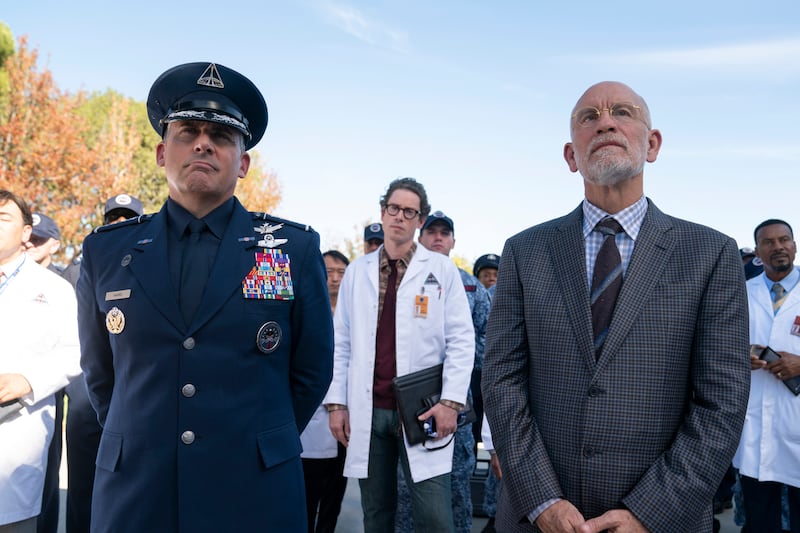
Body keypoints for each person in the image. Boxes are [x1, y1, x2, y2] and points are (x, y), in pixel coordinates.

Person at [482, 81, 750, 532]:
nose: (605, 121)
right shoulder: (525, 251)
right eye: (589, 117)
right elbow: (502, 380)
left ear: (653, 144)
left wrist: (651, 512)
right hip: (539, 518)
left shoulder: (710, 254)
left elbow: (720, 403)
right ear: (571, 156)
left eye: (622, 112)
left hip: (663, 519)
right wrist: (541, 497)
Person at [76, 62, 333, 532]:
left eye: (221, 135)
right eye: (188, 131)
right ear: (160, 153)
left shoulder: (290, 249)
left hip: (253, 491)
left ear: (244, 162)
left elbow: (312, 369)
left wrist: (257, 439)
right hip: (139, 488)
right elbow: (100, 373)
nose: (202, 143)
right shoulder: (105, 251)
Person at [325, 177, 474, 533]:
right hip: (369, 412)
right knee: (376, 514)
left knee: (435, 518)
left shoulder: (441, 271)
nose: (400, 217)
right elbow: (341, 341)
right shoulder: (357, 273)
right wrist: (336, 404)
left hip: (423, 409)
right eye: (394, 208)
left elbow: (462, 339)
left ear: (419, 220)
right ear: (383, 211)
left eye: (410, 212)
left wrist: (451, 402)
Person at [395, 210, 490, 533]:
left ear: (452, 241)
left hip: (455, 405)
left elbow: (487, 340)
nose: (437, 238)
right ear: (420, 237)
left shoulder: (472, 287)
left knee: (456, 487)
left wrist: (451, 361)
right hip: (409, 402)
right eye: (431, 232)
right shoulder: (402, 278)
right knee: (407, 488)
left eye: (444, 233)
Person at [61, 193, 144, 533]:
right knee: (83, 479)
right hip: (87, 385)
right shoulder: (78, 267)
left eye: (128, 218)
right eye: (113, 218)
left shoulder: (151, 265)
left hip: (133, 386)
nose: (119, 224)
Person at [0, 190, 80, 533]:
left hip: (16, 433)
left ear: (26, 233)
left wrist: (27, 380)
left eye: (3, 219)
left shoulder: (53, 289)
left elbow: (76, 351)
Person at [732, 219, 800, 532]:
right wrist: (738, 357)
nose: (778, 247)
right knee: (760, 520)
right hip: (755, 426)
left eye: (784, 240)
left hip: (795, 419)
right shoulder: (739, 293)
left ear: (795, 245)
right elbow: (718, 346)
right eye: (768, 242)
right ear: (758, 251)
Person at [300, 249, 350, 533]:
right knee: (306, 493)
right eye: (328, 271)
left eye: (341, 273)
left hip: (342, 417)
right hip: (310, 419)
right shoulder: (305, 309)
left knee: (334, 493)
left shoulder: (354, 314)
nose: (334, 279)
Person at [24, 213, 66, 533]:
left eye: (38, 240)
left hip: (48, 390)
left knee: (46, 477)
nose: (30, 244)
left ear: (54, 243)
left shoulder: (63, 283)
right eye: (28, 237)